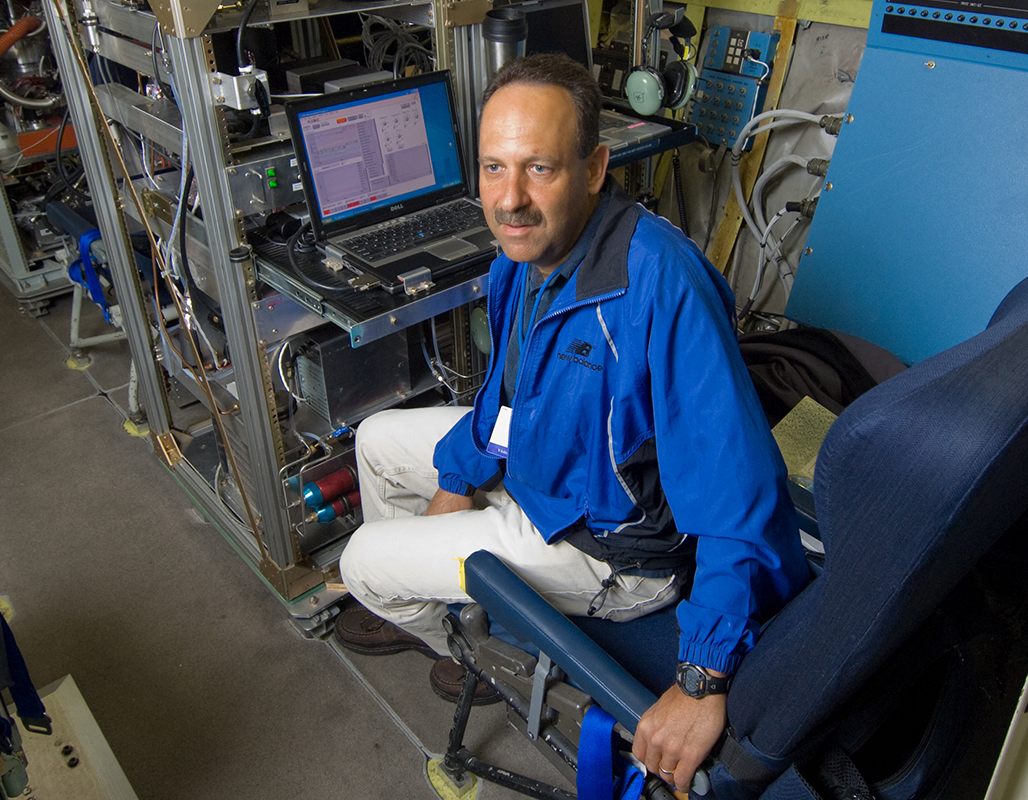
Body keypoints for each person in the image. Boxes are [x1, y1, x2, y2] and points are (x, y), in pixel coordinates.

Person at [334, 53, 809, 793]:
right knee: (373, 441)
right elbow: (507, 397)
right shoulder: (521, 257)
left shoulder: (660, 285)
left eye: (540, 169)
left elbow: (738, 497)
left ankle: (487, 648)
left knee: (361, 561)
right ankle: (452, 611)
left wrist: (701, 677)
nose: (510, 199)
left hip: (611, 552)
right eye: (494, 168)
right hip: (547, 470)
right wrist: (459, 480)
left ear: (594, 169)